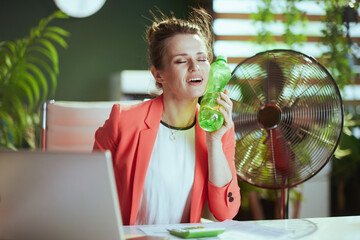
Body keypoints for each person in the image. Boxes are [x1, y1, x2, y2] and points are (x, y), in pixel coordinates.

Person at [93, 7, 241, 225]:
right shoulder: (123, 121)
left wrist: (214, 141)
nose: (195, 67)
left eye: (202, 59)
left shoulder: (219, 131)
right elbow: (89, 194)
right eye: (181, 61)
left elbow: (225, 212)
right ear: (158, 74)